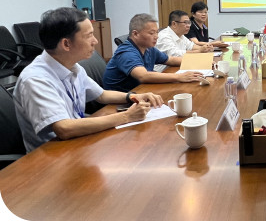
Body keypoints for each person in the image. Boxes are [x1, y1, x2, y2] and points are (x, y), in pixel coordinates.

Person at [12, 8, 164, 152]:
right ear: (66, 44)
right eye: (89, 36)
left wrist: (133, 96)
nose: (95, 41)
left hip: (80, 141)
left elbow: (102, 95)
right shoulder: (35, 79)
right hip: (52, 155)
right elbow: (64, 128)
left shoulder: (73, 66)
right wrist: (126, 116)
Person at [103, 13, 203, 93]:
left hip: (142, 92)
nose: (156, 36)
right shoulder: (127, 52)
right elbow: (143, 76)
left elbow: (171, 60)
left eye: (157, 32)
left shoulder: (149, 49)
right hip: (120, 103)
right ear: (135, 34)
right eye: (152, 33)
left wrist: (200, 62)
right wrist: (180, 77)